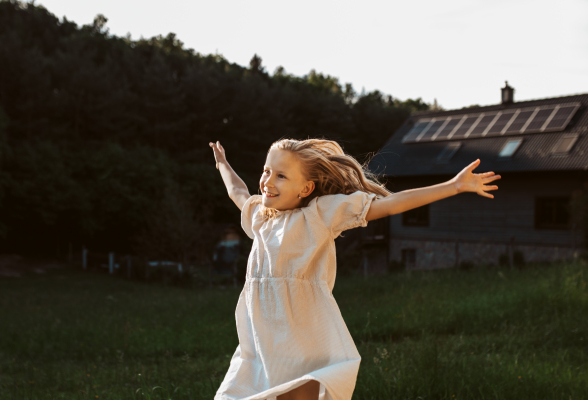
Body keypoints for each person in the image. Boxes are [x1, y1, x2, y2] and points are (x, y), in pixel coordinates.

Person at [209, 138, 500, 400]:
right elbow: (238, 191)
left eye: (281, 175)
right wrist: (222, 163)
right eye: (266, 171)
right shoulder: (261, 217)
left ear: (306, 188)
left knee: (297, 396)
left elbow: (392, 205)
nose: (268, 181)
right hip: (264, 331)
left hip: (304, 329)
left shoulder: (319, 213)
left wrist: (455, 185)